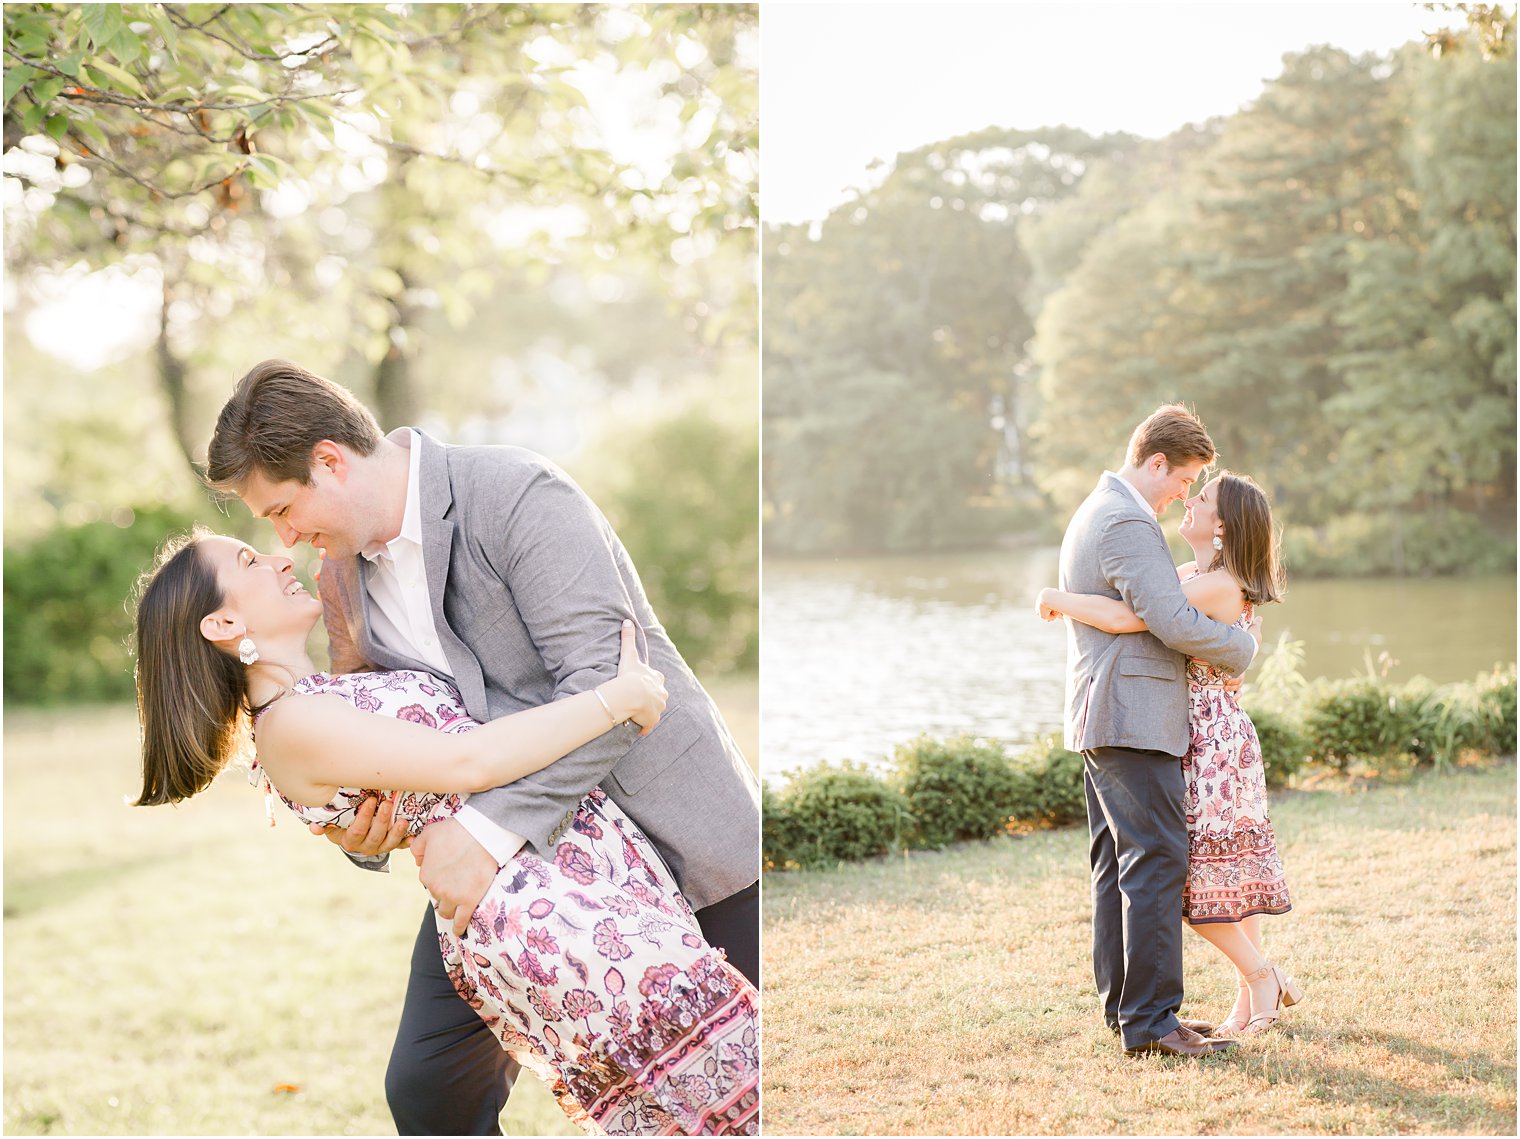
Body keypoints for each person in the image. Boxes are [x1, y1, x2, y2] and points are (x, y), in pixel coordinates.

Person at [204, 360, 761, 1134]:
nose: (286, 539)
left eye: (283, 509)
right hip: (515, 886)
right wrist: (355, 833)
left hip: (673, 830)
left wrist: (482, 833)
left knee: (748, 1076)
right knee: (431, 1088)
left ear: (331, 459)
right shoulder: (340, 579)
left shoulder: (517, 494)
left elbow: (614, 691)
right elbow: (372, 736)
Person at [1038, 469, 1301, 1038]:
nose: (1188, 499)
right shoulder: (1192, 574)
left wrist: (1055, 597)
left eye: (1200, 498)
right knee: (1226, 870)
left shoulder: (1217, 585)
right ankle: (1252, 999)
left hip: (1212, 741)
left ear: (1223, 526)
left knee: (1204, 875)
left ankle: (1260, 978)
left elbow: (1123, 617)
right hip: (1196, 731)